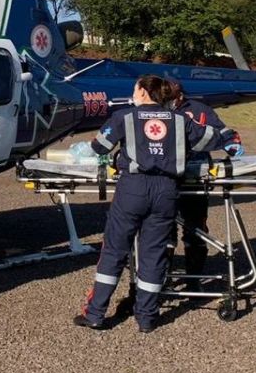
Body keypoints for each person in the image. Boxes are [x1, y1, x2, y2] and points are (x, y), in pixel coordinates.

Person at [74, 75, 222, 333]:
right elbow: (211, 139)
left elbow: (100, 146)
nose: (133, 93)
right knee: (154, 254)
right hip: (167, 190)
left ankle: (96, 313)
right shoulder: (180, 120)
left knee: (114, 251)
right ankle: (147, 318)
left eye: (135, 89)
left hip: (133, 188)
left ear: (143, 92)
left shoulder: (124, 117)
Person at [165, 77, 244, 291]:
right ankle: (162, 278)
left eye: (172, 97)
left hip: (195, 176)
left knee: (195, 229)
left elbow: (223, 131)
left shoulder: (199, 110)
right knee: (162, 229)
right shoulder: (156, 111)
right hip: (165, 178)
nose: (169, 102)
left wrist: (232, 144)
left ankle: (194, 280)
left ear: (180, 95)